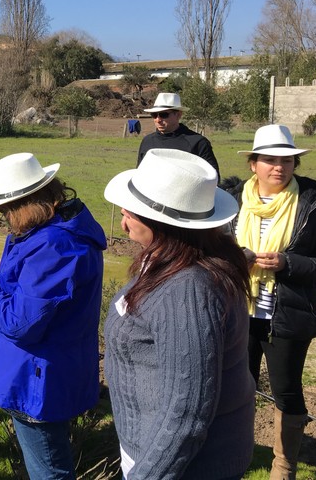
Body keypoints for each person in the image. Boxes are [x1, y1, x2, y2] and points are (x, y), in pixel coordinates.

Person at [103, 149, 254, 479]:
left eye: (133, 211)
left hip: (184, 468)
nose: (123, 216)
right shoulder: (174, 260)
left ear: (162, 224)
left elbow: (185, 416)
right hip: (154, 452)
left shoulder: (187, 290)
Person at [0, 152, 106, 480]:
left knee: (49, 470)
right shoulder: (55, 233)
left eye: (5, 211)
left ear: (22, 207)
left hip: (37, 379)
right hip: (47, 370)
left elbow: (21, 322)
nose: (4, 218)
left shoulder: (54, 247)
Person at [229, 124, 316, 479]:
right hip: (239, 310)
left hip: (287, 315)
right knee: (240, 385)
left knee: (286, 390)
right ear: (253, 164)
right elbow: (213, 250)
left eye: (287, 160)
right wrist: (233, 257)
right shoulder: (232, 200)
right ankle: (239, 450)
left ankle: (283, 465)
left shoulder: (313, 203)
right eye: (269, 159)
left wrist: (290, 263)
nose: (279, 167)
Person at [137, 92, 220, 177]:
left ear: (178, 115)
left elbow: (213, 178)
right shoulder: (147, 141)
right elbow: (139, 174)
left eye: (163, 115)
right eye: (154, 115)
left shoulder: (198, 143)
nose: (158, 120)